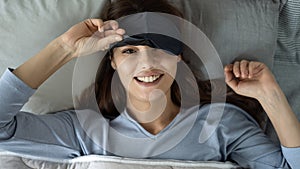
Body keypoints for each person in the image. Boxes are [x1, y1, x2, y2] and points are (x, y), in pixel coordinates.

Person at [0, 0, 299, 168]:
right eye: (130, 51)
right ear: (113, 61)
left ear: (179, 55)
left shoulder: (221, 125)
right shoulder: (84, 130)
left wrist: (270, 94)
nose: (147, 64)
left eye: (159, 47)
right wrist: (64, 48)